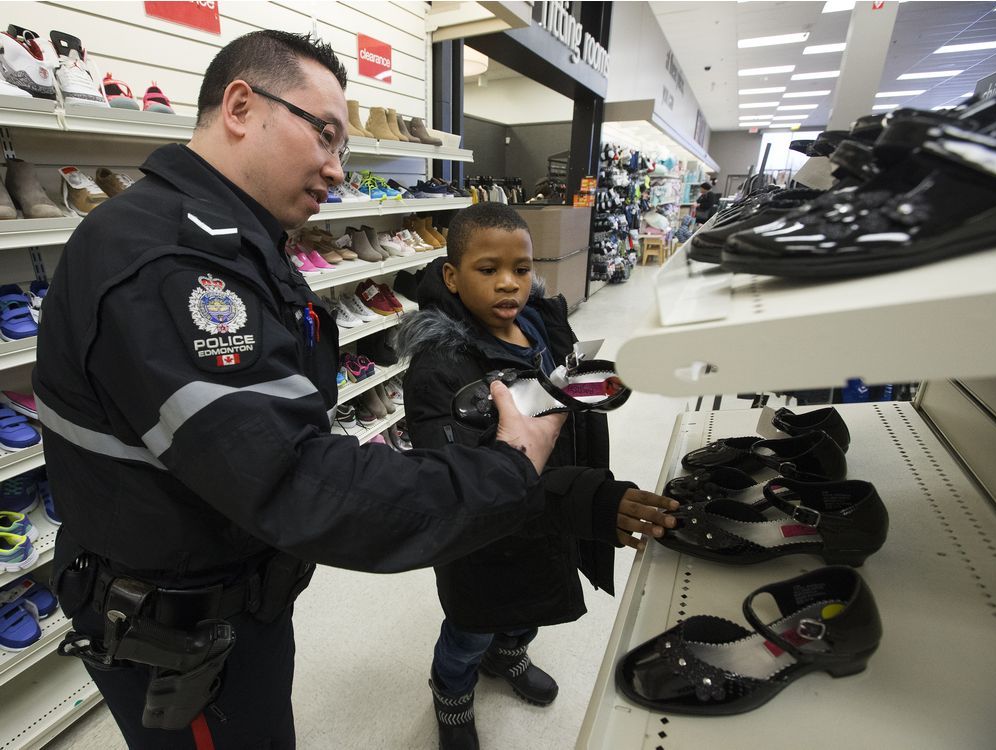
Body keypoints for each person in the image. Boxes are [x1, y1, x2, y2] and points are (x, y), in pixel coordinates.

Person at [32, 31, 570, 750]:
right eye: (325, 136)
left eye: (343, 148)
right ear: (241, 105)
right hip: (179, 629)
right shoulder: (169, 264)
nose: (336, 169)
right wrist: (503, 469)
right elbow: (293, 476)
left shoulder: (230, 238)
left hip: (225, 592)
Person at [395, 202, 679, 750]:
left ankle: (511, 652)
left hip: (550, 509)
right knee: (471, 625)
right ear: (452, 277)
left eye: (521, 270)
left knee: (536, 599)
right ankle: (451, 694)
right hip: (484, 536)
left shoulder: (541, 323)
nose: (509, 285)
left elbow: (564, 391)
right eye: (488, 269)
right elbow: (458, 476)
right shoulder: (438, 368)